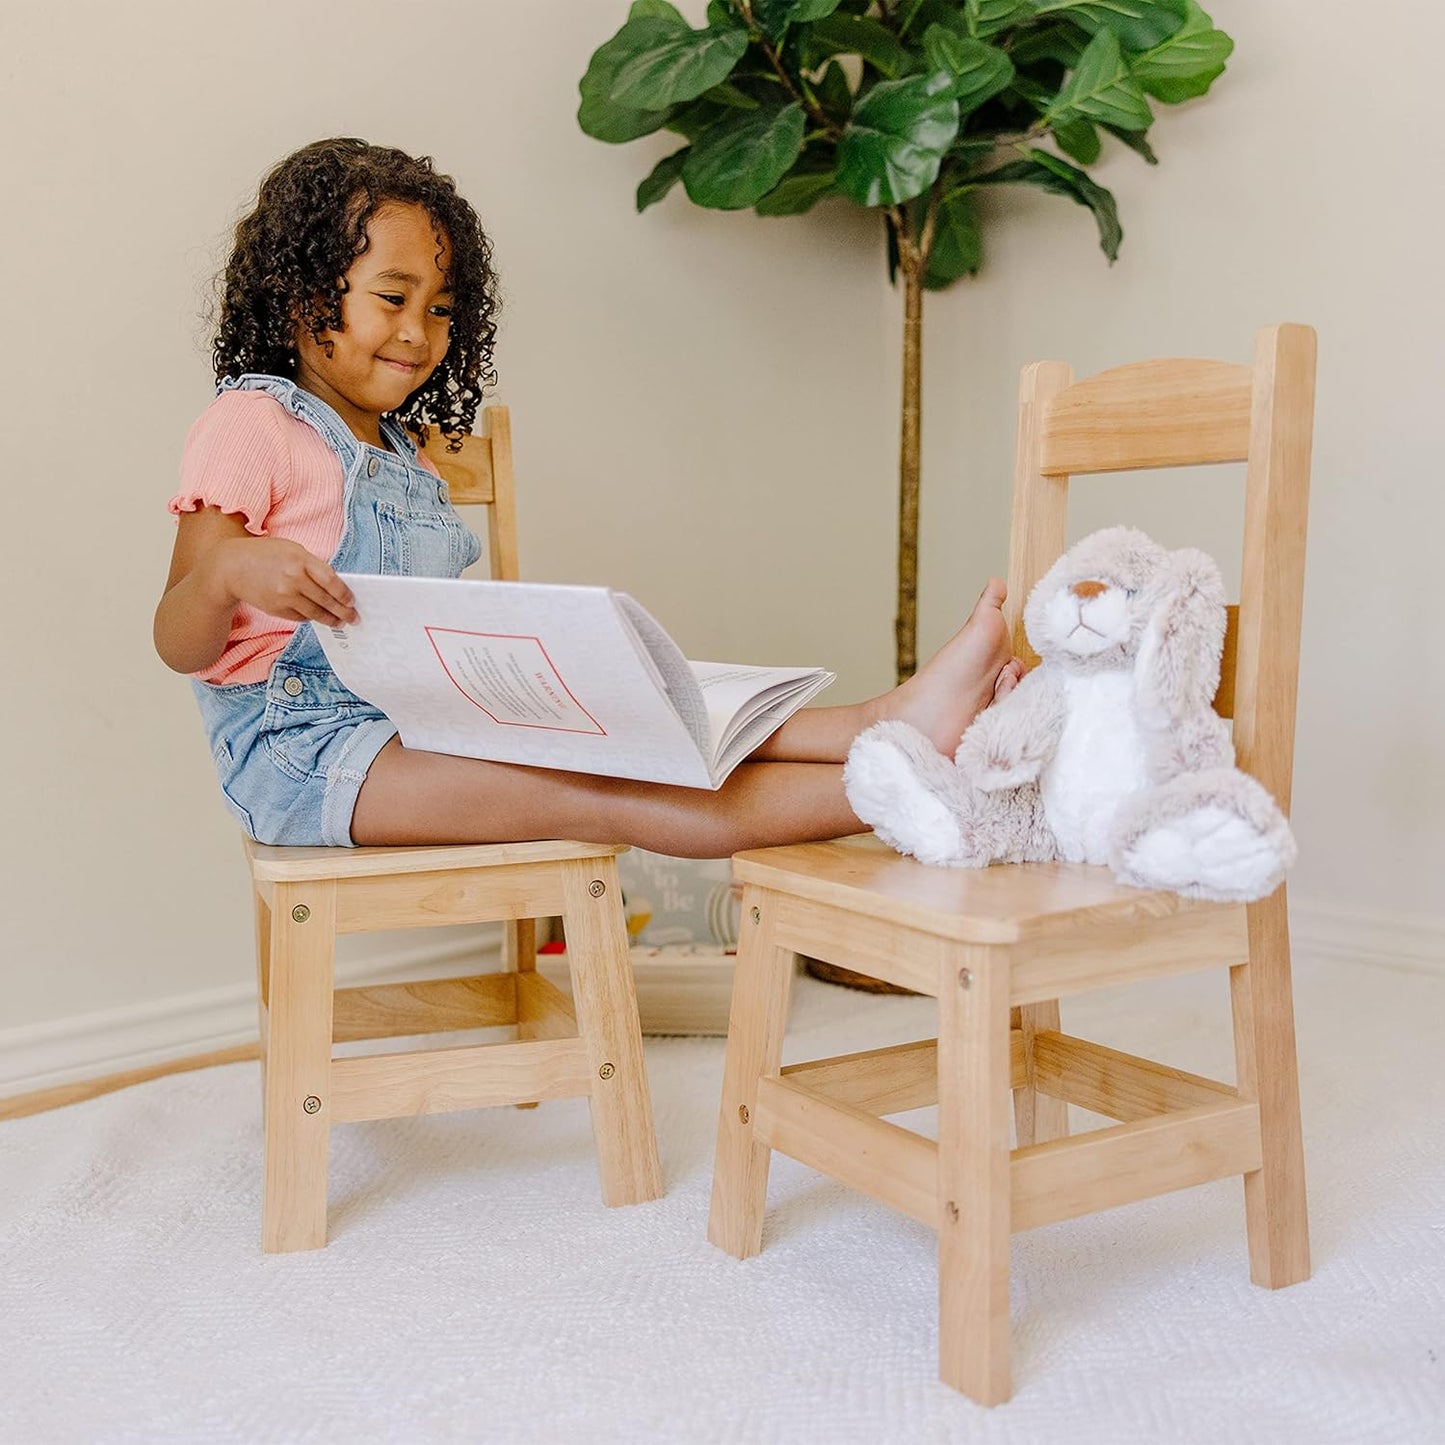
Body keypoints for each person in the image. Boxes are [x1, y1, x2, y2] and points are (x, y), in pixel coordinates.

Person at [155, 138, 1021, 859]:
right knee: (600, 790)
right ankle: (907, 786)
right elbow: (177, 639)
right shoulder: (250, 424)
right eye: (392, 298)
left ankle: (883, 719)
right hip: (304, 757)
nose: (420, 331)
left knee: (646, 703)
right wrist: (229, 569)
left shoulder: (406, 452)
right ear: (305, 295)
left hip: (423, 721)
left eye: (444, 308)